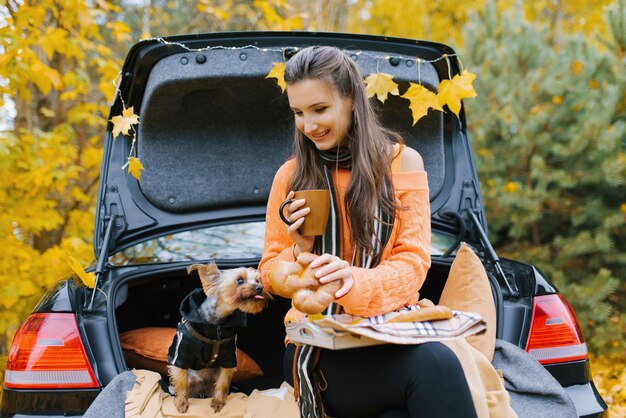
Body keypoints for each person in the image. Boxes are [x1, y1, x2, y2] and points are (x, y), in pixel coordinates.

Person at [259, 46, 477, 418]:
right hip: (317, 343)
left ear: (352, 101)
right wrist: (299, 256)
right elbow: (268, 271)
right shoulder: (291, 175)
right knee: (436, 366)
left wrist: (351, 282)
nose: (308, 125)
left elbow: (412, 262)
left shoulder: (402, 163)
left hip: (390, 329)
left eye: (320, 109)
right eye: (298, 112)